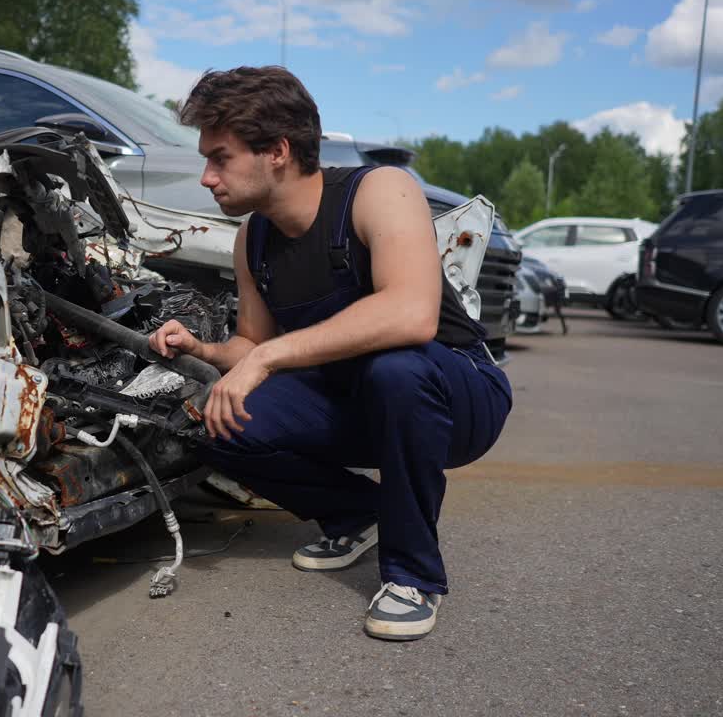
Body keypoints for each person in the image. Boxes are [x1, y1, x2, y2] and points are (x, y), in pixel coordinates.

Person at [148, 66, 513, 641]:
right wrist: (205, 349)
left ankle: (413, 574)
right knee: (216, 423)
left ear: (277, 151)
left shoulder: (379, 191)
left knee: (397, 368)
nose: (206, 178)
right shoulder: (254, 238)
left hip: (456, 394)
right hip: (353, 397)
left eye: (220, 158)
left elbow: (412, 314)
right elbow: (254, 344)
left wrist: (265, 362)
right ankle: (355, 513)